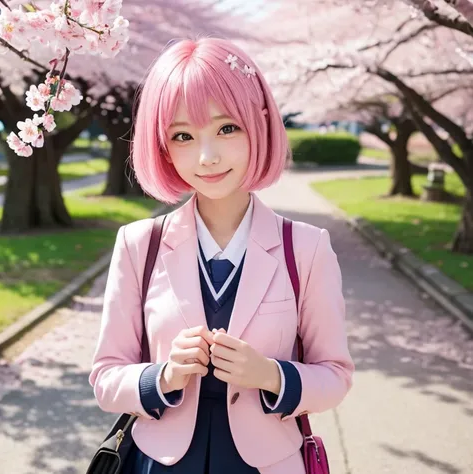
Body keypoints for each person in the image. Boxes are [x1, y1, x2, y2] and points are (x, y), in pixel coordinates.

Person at [88, 37, 354, 474]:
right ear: (164, 147)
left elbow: (335, 375)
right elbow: (105, 378)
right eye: (183, 136)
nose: (207, 156)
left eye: (226, 128)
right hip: (158, 463)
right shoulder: (139, 244)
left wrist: (271, 375)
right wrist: (164, 377)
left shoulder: (304, 247)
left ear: (259, 124)